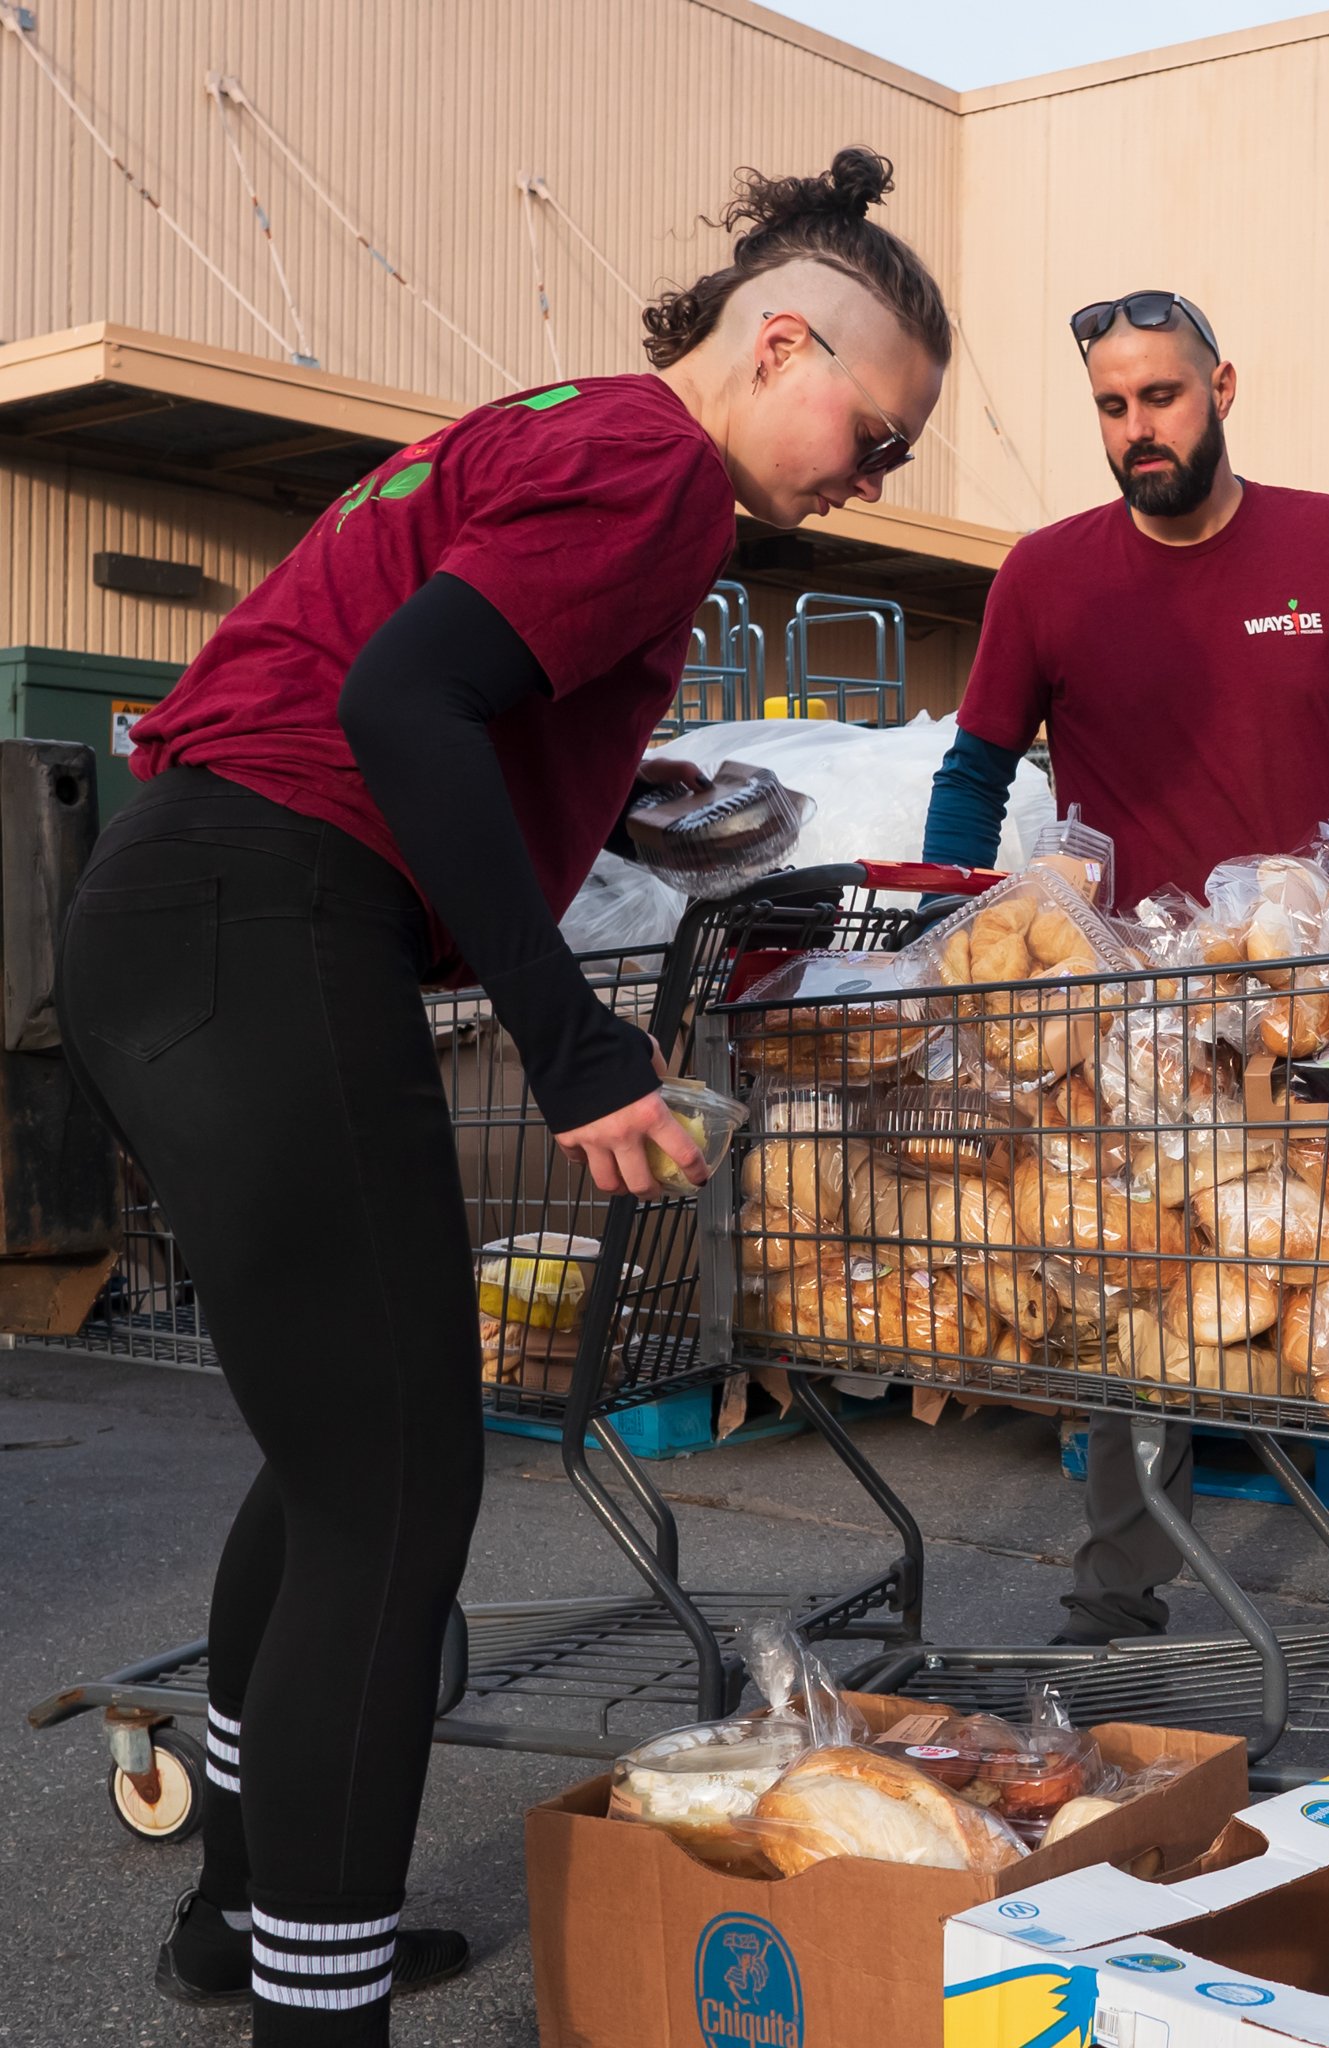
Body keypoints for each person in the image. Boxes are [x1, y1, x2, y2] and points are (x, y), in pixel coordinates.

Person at [57, 148, 947, 2045]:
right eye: (875, 434)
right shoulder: (655, 474)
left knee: (336, 1467)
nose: (873, 481)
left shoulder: (558, 424)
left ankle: (247, 1919)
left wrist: (592, 798)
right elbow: (398, 706)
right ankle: (323, 2005)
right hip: (266, 910)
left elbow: (428, 680)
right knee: (400, 1489)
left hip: (196, 910)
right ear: (781, 342)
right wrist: (579, 1044)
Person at [923, 289, 1329, 1643]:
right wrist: (944, 938)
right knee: (1142, 1280)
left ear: (1223, 387)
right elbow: (976, 769)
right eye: (1112, 408)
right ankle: (1120, 1592)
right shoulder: (1047, 576)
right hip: (1134, 1005)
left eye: (1160, 398)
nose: (1137, 431)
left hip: (1319, 996)